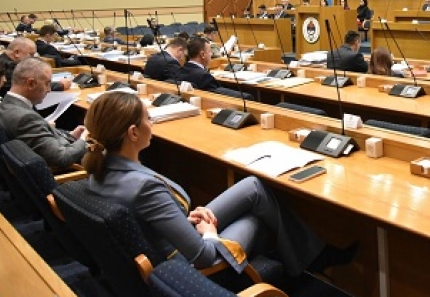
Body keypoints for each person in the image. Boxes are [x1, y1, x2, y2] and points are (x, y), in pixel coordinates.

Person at [82, 91, 356, 277]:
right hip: (187, 262)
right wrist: (210, 232)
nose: (151, 122)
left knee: (254, 187)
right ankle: (294, 269)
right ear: (133, 133)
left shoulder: (99, 168)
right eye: (147, 118)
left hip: (171, 238)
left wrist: (185, 219)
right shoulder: (143, 188)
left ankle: (310, 256)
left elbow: (147, 221)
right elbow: (202, 256)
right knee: (257, 218)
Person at [0, 57, 89, 170]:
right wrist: (83, 139)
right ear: (31, 83)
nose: (49, 90)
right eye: (47, 84)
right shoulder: (25, 118)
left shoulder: (6, 104)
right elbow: (61, 158)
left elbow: (41, 138)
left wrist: (70, 135)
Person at [0, 37, 71, 95]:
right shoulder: (7, 67)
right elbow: (29, 86)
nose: (33, 58)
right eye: (31, 54)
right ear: (17, 53)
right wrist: (60, 85)